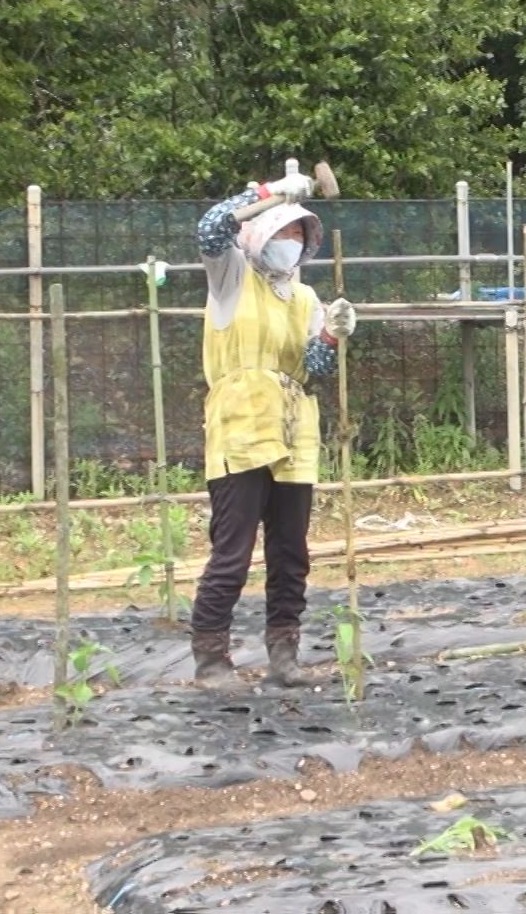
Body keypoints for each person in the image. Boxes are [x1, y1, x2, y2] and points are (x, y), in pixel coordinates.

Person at [190, 164, 356, 688]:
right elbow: (210, 228)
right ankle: (212, 659)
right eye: (282, 230)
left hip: (294, 428)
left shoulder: (305, 298)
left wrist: (332, 337)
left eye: (298, 234)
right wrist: (268, 193)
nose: (290, 241)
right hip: (241, 426)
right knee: (233, 549)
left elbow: (314, 371)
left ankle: (285, 654)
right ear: (260, 232)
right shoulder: (231, 276)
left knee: (290, 551)